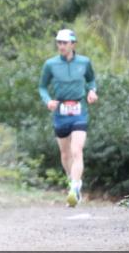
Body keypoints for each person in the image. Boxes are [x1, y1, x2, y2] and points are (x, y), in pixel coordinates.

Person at [38, 28, 98, 207]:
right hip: (60, 112)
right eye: (59, 42)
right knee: (65, 154)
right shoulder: (50, 64)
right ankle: (72, 181)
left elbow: (91, 80)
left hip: (79, 110)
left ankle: (75, 188)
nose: (61, 46)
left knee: (76, 150)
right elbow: (42, 87)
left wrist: (92, 91)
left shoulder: (84, 62)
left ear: (73, 44)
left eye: (64, 43)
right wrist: (48, 101)